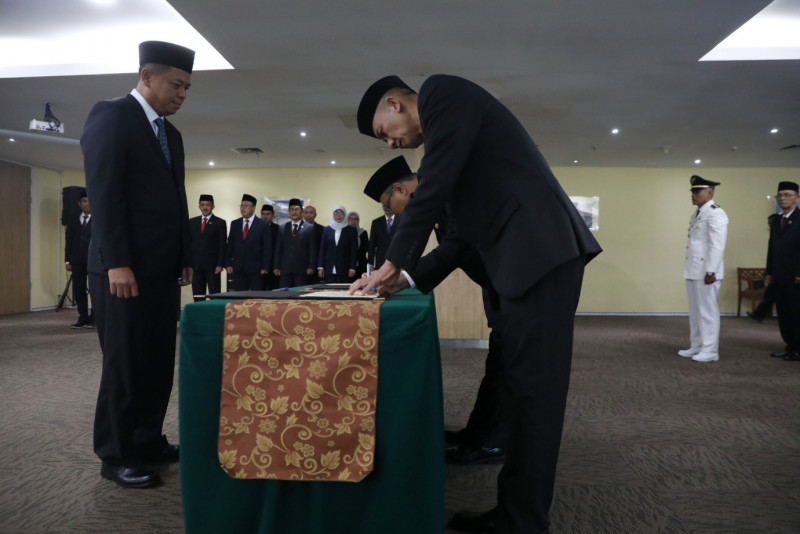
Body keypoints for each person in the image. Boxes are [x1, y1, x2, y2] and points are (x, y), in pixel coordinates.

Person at [352, 75, 601, 533]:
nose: (390, 143)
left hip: (540, 256)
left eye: (384, 131)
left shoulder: (442, 93)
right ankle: (516, 512)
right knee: (523, 392)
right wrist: (405, 277)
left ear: (395, 104)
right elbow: (462, 238)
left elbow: (433, 187)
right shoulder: (456, 143)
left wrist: (392, 262)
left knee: (535, 398)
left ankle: (523, 521)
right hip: (529, 263)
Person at [81, 40, 194, 489]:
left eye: (187, 88)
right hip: (121, 271)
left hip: (161, 270)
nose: (182, 94)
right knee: (125, 363)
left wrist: (184, 255)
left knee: (157, 360)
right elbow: (105, 194)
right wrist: (117, 263)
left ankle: (147, 440)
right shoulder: (112, 115)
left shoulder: (172, 135)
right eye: (176, 84)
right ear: (147, 76)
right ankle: (115, 453)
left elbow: (177, 199)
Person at [364, 156, 507, 465]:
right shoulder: (439, 201)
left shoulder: (450, 192)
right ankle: (479, 434)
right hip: (500, 286)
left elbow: (457, 246)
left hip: (520, 283)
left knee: (509, 366)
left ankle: (493, 443)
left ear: (400, 189)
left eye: (388, 206)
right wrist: (392, 273)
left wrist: (403, 279)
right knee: (500, 361)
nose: (392, 213)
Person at [677, 175, 729, 363]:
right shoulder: (698, 213)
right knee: (695, 312)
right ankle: (697, 345)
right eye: (693, 191)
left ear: (710, 193)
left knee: (707, 312)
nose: (694, 195)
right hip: (694, 270)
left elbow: (717, 245)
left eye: (698, 191)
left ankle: (710, 350)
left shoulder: (716, 213)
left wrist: (711, 271)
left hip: (707, 272)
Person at [765, 181, 800, 362]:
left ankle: (798, 349)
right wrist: (769, 271)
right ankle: (789, 346)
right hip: (779, 275)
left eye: (787, 195)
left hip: (795, 276)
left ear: (797, 197)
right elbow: (772, 248)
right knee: (784, 313)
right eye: (779, 195)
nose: (782, 198)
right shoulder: (777, 220)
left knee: (796, 313)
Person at [225, 194, 272, 291]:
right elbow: (230, 244)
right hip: (238, 268)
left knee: (256, 296)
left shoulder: (262, 224)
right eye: (241, 205)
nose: (243, 208)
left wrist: (265, 266)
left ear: (253, 208)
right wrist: (228, 263)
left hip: (256, 268)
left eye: (246, 205)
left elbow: (267, 247)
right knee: (239, 296)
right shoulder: (235, 223)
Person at [64, 188, 95, 328]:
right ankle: (83, 318)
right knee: (79, 290)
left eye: (89, 201)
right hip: (77, 261)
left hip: (94, 261)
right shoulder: (73, 220)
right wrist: (67, 260)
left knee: (95, 290)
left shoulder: (98, 220)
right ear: (79, 203)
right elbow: (68, 241)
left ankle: (94, 318)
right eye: (84, 201)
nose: (87, 204)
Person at [189, 194, 227, 301]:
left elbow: (222, 245)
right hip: (196, 266)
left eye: (208, 205)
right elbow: (189, 244)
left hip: (213, 267)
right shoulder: (192, 222)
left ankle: (213, 312)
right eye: (202, 205)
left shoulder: (220, 223)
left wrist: (220, 264)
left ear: (213, 206)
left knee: (214, 296)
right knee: (197, 295)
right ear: (199, 206)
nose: (205, 207)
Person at [273, 198, 318, 287]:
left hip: (302, 269)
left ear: (302, 211)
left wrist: (311, 266)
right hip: (285, 269)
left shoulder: (309, 228)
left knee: (300, 293)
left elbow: (312, 249)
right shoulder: (282, 228)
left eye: (297, 209)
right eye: (292, 209)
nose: (294, 212)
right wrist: (276, 266)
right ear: (289, 211)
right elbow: (278, 249)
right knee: (284, 293)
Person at [317, 206, 358, 283]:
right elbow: (322, 249)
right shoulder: (326, 230)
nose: (339, 215)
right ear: (333, 215)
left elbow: (353, 250)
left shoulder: (351, 230)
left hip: (345, 269)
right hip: (329, 268)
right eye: (336, 213)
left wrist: (353, 267)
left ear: (345, 215)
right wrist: (320, 267)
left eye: (341, 213)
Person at [260, 204, 280, 290]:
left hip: (273, 267)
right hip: (259, 267)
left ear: (273, 215)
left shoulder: (278, 229)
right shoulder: (256, 228)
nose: (265, 216)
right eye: (263, 214)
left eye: (268, 214)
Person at [304, 205, 324, 284]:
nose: (308, 215)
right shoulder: (297, 229)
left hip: (316, 266)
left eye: (311, 213)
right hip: (300, 267)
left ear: (315, 215)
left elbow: (322, 249)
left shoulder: (322, 229)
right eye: (306, 212)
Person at [347, 211, 369, 280]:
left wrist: (353, 256)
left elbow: (365, 248)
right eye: (351, 219)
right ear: (347, 220)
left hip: (360, 264)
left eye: (355, 219)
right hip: (346, 265)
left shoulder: (363, 232)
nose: (353, 221)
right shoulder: (343, 233)